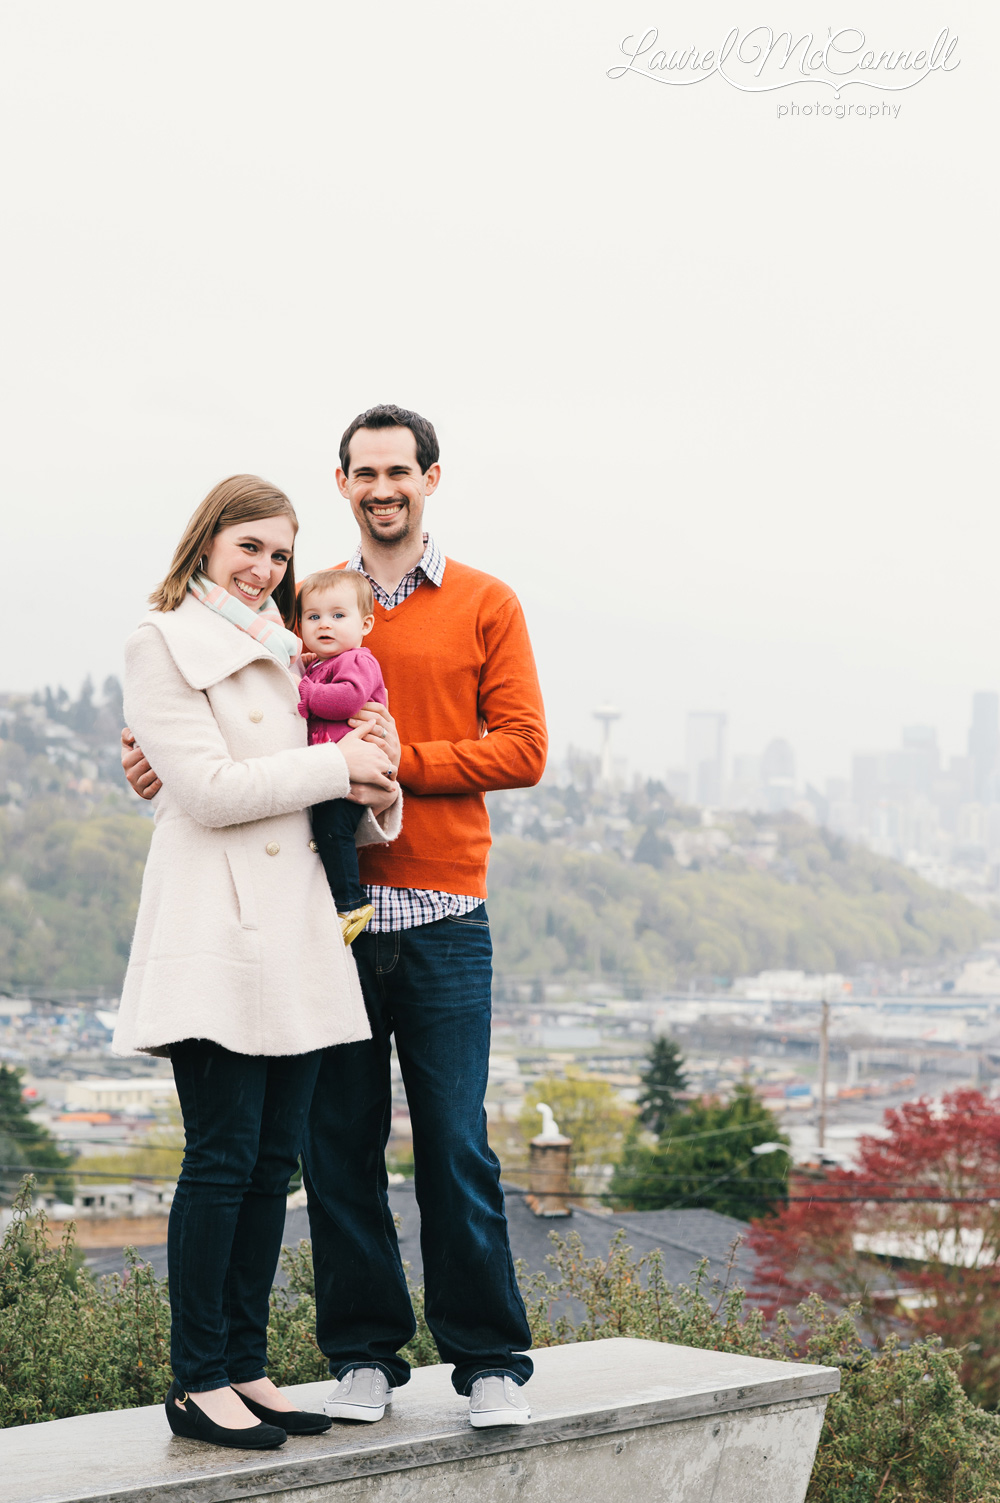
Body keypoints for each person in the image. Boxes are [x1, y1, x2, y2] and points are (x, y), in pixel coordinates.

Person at [123, 406, 548, 1431]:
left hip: (438, 904)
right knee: (329, 1151)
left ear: (431, 479)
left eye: (399, 470)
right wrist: (155, 764)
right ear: (343, 482)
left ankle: (486, 1360)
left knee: (450, 1145)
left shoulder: (479, 601)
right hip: (319, 916)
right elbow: (222, 751)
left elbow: (523, 749)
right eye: (364, 472)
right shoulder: (304, 613)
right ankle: (359, 1356)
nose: (382, 486)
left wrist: (393, 765)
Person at [115, 474, 399, 1451]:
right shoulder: (161, 645)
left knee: (274, 1163)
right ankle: (198, 1377)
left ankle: (242, 1362)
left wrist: (375, 772)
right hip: (216, 930)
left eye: (279, 554)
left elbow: (330, 784)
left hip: (295, 928)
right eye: (250, 548)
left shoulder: (288, 648)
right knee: (223, 1158)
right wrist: (335, 766)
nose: (266, 569)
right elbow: (206, 790)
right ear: (206, 544)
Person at [296, 568, 387, 943]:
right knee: (324, 834)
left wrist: (304, 691)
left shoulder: (357, 661)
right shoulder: (317, 665)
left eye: (338, 616)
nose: (324, 625)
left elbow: (348, 699)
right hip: (331, 774)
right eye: (313, 617)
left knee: (333, 832)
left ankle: (350, 904)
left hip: (355, 776)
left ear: (365, 624)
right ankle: (339, 903)